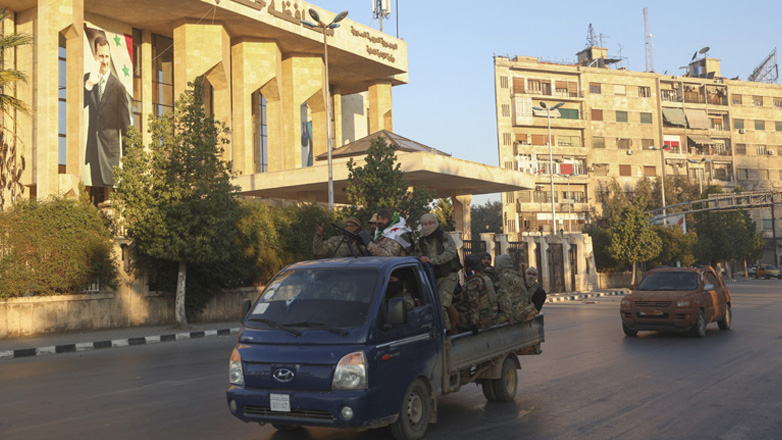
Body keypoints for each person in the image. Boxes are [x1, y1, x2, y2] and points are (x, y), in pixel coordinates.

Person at [84, 35, 130, 188]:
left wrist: (129, 163)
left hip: (110, 155)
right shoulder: (88, 80)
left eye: (107, 56)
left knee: (110, 198)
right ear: (95, 55)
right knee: (95, 198)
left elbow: (126, 127)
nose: (104, 61)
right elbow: (78, 104)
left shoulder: (119, 88)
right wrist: (89, 84)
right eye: (101, 56)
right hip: (93, 151)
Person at [417, 213, 461, 331]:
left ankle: (445, 332)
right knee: (434, 304)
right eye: (425, 224)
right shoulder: (421, 241)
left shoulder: (444, 236)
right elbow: (418, 256)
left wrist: (433, 261)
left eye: (431, 223)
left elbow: (451, 252)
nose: (428, 226)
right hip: (432, 277)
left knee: (441, 305)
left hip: (448, 276)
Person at [456, 254, 499, 331]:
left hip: (482, 316)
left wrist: (474, 323)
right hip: (490, 313)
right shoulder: (484, 277)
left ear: (468, 267)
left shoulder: (474, 280)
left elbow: (473, 303)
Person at [494, 255, 536, 323]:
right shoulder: (514, 275)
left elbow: (504, 297)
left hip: (516, 313)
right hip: (523, 310)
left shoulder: (505, 277)